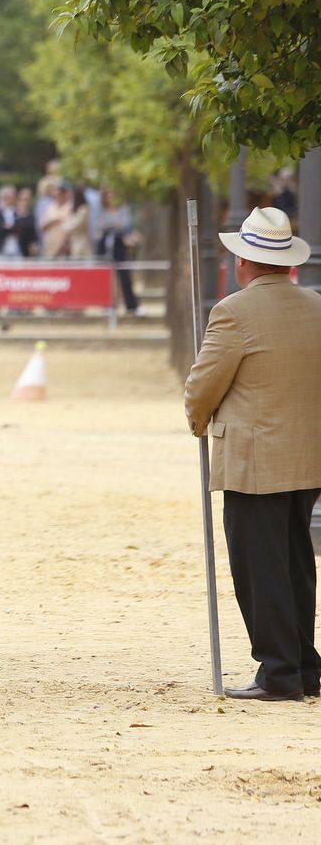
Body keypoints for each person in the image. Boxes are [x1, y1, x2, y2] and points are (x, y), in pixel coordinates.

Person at [184, 206, 321, 701]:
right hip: (307, 458)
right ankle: (304, 667)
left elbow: (204, 385)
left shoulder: (233, 311)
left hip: (253, 461)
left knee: (260, 568)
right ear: (287, 262)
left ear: (243, 261)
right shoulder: (315, 305)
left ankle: (279, 673)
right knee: (295, 562)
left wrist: (197, 420)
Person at [95, 189, 140, 315]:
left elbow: (125, 225)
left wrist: (114, 226)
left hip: (120, 243)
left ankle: (131, 305)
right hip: (106, 244)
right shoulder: (101, 210)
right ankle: (108, 304)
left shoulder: (123, 209)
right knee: (106, 276)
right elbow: (100, 225)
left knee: (124, 275)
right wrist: (114, 225)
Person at [0, 185, 23, 259]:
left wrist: (7, 226)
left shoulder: (16, 211)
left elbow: (21, 226)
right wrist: (11, 227)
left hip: (15, 248)